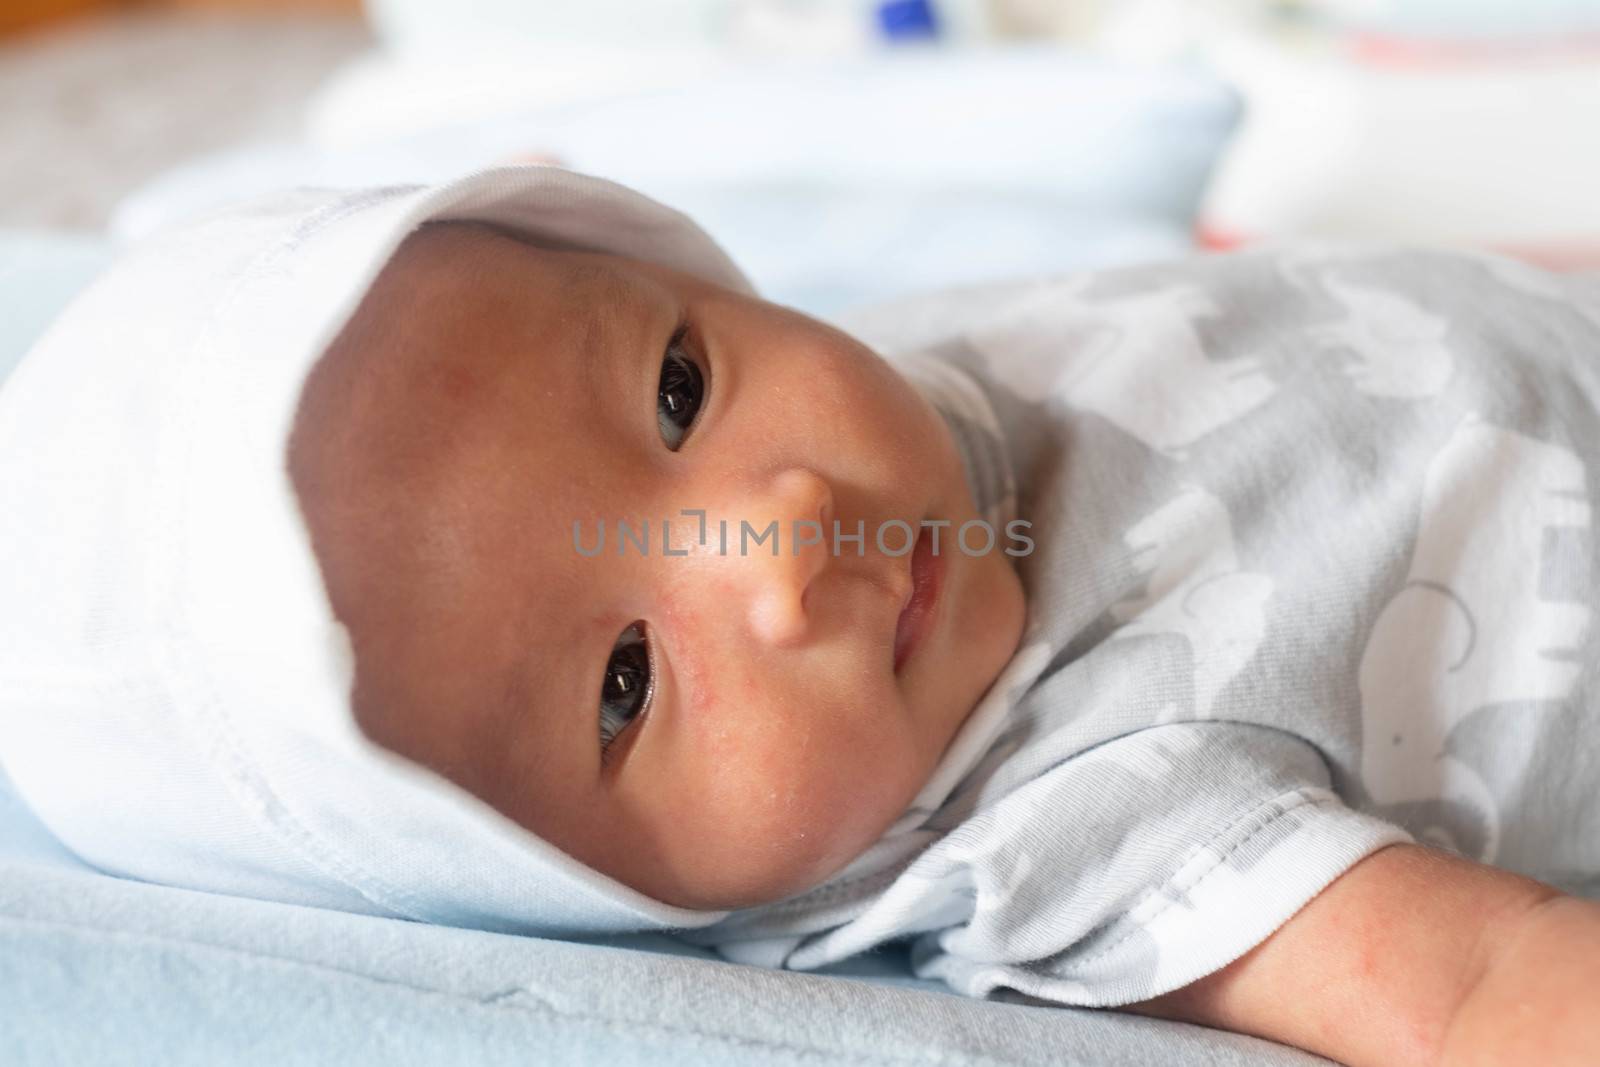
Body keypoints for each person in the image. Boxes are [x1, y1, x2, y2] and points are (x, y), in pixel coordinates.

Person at [2, 166, 1597, 1066]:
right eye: (625, 684)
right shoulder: (1072, 821)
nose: (783, 536)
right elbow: (1472, 997)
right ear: (586, 891)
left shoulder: (861, 382)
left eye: (677, 389)